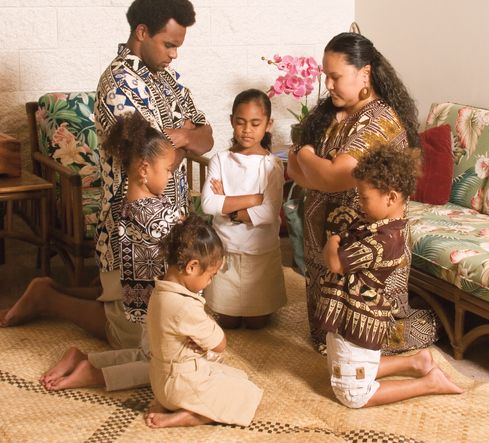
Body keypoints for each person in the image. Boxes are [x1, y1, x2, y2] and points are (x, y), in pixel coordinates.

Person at [0, 0, 213, 350]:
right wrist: (179, 138)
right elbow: (154, 160)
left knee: (155, 309)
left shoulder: (168, 78)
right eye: (169, 44)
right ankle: (49, 300)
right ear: (142, 33)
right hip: (130, 222)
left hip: (170, 214)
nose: (175, 54)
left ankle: (49, 289)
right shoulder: (118, 85)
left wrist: (186, 136)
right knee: (133, 336)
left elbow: (206, 135)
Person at [286, 32, 438, 354]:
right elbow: (293, 171)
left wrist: (306, 156)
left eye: (335, 76)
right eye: (325, 76)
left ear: (364, 73)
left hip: (365, 245)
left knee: (362, 340)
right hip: (325, 246)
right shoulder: (331, 113)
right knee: (326, 338)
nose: (327, 84)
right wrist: (313, 166)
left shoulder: (380, 121)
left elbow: (333, 176)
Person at [40, 112, 178, 391]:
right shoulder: (158, 215)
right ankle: (94, 375)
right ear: (144, 170)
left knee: (147, 354)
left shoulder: (125, 207)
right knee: (168, 369)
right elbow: (184, 240)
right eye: (168, 169)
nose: (171, 175)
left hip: (138, 310)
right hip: (154, 314)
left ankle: (86, 359)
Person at [316, 145, 463, 408]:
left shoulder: (386, 240)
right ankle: (416, 362)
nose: (360, 204)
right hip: (347, 312)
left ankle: (430, 383)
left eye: (364, 198)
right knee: (342, 366)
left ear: (391, 198)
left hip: (360, 317)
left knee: (352, 394)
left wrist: (333, 240)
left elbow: (337, 262)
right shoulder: (374, 223)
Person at [145, 215, 263, 428]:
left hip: (160, 382)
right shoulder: (184, 305)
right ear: (192, 267)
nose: (209, 281)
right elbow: (220, 344)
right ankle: (189, 416)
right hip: (179, 387)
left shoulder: (159, 291)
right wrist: (208, 320)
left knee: (237, 375)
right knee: (248, 393)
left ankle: (168, 405)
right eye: (210, 276)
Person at [201, 89, 286, 329]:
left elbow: (270, 212)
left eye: (255, 123)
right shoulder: (220, 159)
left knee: (256, 322)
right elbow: (208, 204)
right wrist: (255, 198)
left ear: (268, 124)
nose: (247, 130)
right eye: (240, 122)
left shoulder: (272, 164)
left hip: (259, 250)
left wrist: (227, 204)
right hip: (226, 247)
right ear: (231, 121)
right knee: (227, 320)